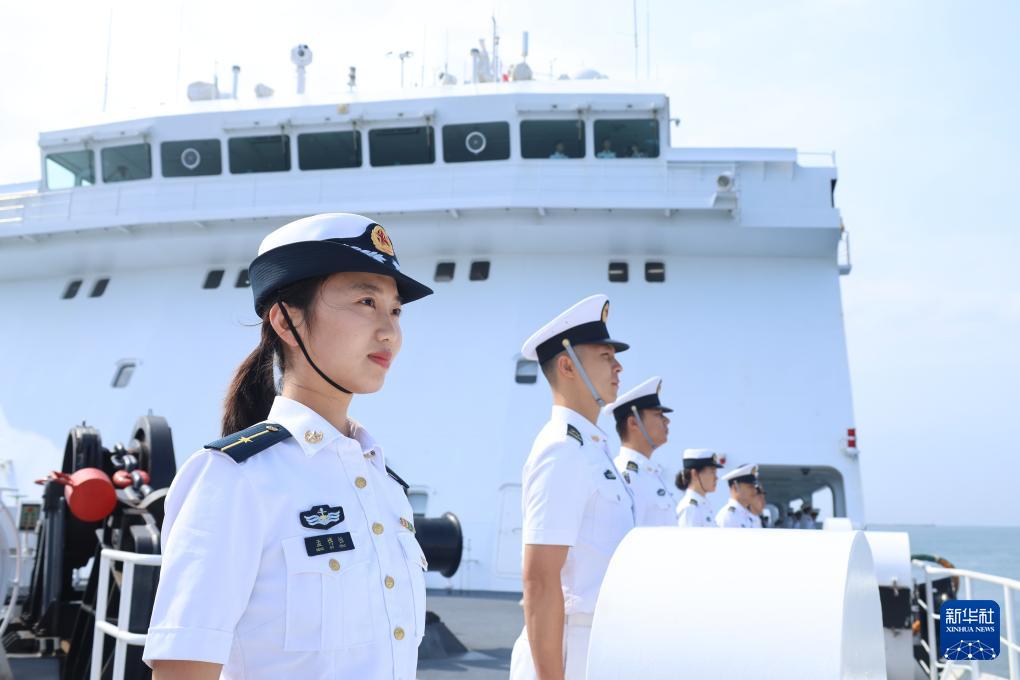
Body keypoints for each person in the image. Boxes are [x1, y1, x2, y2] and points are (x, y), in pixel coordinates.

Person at [143, 213, 434, 679]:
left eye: (395, 311)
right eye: (366, 301)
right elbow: (183, 670)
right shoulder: (234, 478)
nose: (390, 332)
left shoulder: (385, 484)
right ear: (286, 319)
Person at [509, 294, 634, 680]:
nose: (618, 366)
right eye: (605, 356)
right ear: (567, 366)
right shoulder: (562, 449)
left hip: (596, 642)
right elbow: (540, 579)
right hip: (569, 649)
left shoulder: (592, 448)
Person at [605, 376, 677, 526]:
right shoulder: (625, 475)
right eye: (658, 414)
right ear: (634, 422)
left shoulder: (650, 473)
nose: (667, 420)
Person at [675, 449, 724, 527]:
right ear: (694, 474)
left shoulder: (703, 505)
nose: (716, 478)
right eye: (712, 472)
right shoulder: (690, 508)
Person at [716, 463, 760, 529]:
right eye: (750, 487)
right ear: (735, 487)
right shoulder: (727, 516)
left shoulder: (752, 517)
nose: (755, 491)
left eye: (754, 487)